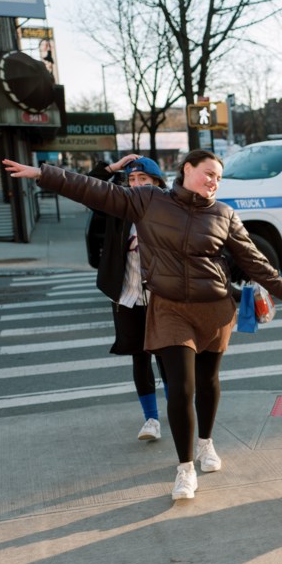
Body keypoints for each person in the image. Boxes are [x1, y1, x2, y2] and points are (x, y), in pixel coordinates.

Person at [3, 150, 282, 501]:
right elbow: (94, 191)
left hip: (214, 311)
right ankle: (185, 469)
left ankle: (206, 444)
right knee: (181, 388)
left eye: (218, 178)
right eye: (208, 173)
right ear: (186, 169)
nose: (213, 182)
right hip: (170, 310)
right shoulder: (149, 200)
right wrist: (44, 174)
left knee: (208, 382)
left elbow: (253, 260)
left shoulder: (224, 214)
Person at [85, 154, 169, 442]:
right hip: (128, 297)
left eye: (142, 179)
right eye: (131, 179)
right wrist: (110, 169)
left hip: (162, 298)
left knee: (169, 357)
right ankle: (151, 420)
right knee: (139, 357)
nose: (135, 184)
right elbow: (88, 189)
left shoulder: (168, 209)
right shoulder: (117, 207)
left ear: (157, 183)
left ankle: (178, 409)